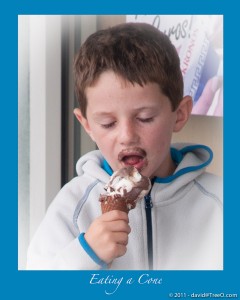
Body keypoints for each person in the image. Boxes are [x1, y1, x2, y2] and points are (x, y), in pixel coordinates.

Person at [26, 23, 223, 270]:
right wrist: (87, 254)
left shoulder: (221, 202)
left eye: (145, 118)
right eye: (108, 123)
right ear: (86, 124)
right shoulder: (73, 206)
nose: (127, 136)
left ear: (180, 114)